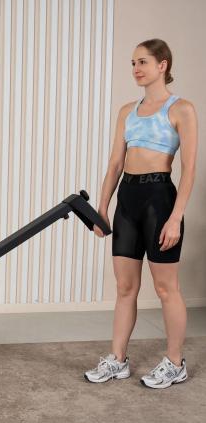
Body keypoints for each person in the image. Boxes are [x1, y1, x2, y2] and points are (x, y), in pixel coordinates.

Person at [84, 39, 198, 389]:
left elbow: (189, 168)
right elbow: (115, 164)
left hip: (159, 199)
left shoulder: (182, 109)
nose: (136, 68)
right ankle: (118, 359)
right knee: (124, 287)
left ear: (163, 65)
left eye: (143, 62)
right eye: (133, 63)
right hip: (128, 200)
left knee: (166, 288)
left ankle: (175, 363)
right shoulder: (126, 111)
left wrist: (176, 217)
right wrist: (102, 208)